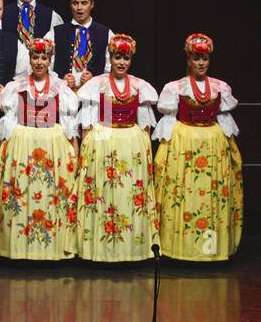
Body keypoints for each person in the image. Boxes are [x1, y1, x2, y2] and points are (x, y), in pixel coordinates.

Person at [153, 33, 243, 261]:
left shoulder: (219, 87)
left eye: (204, 58)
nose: (201, 63)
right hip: (186, 143)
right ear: (188, 59)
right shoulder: (176, 88)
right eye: (196, 58)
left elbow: (226, 122)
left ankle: (209, 250)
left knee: (210, 196)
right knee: (185, 194)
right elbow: (168, 120)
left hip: (211, 145)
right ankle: (181, 248)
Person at [0, 36, 80, 260]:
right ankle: (21, 247)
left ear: (50, 60)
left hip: (52, 143)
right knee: (22, 193)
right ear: (30, 59)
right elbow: (9, 121)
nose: (39, 62)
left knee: (51, 196)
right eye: (35, 57)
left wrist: (74, 153)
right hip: (24, 143)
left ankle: (50, 249)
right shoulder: (18, 86)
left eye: (44, 58)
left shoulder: (60, 88)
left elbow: (69, 124)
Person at [75, 33, 159, 262]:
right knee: (104, 195)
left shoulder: (140, 87)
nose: (121, 62)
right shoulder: (97, 85)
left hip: (130, 146)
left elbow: (145, 125)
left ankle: (131, 249)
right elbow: (87, 124)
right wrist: (86, 153)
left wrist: (145, 153)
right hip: (104, 143)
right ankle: (101, 249)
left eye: (126, 58)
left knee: (127, 195)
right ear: (110, 58)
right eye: (117, 57)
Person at [52, 0, 109, 92]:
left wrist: (96, 81)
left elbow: (112, 71)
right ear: (70, 5)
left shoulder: (106, 33)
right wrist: (59, 81)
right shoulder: (55, 33)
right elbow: (43, 65)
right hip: (64, 96)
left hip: (93, 98)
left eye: (84, 3)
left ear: (92, 4)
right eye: (75, 3)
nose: (79, 8)